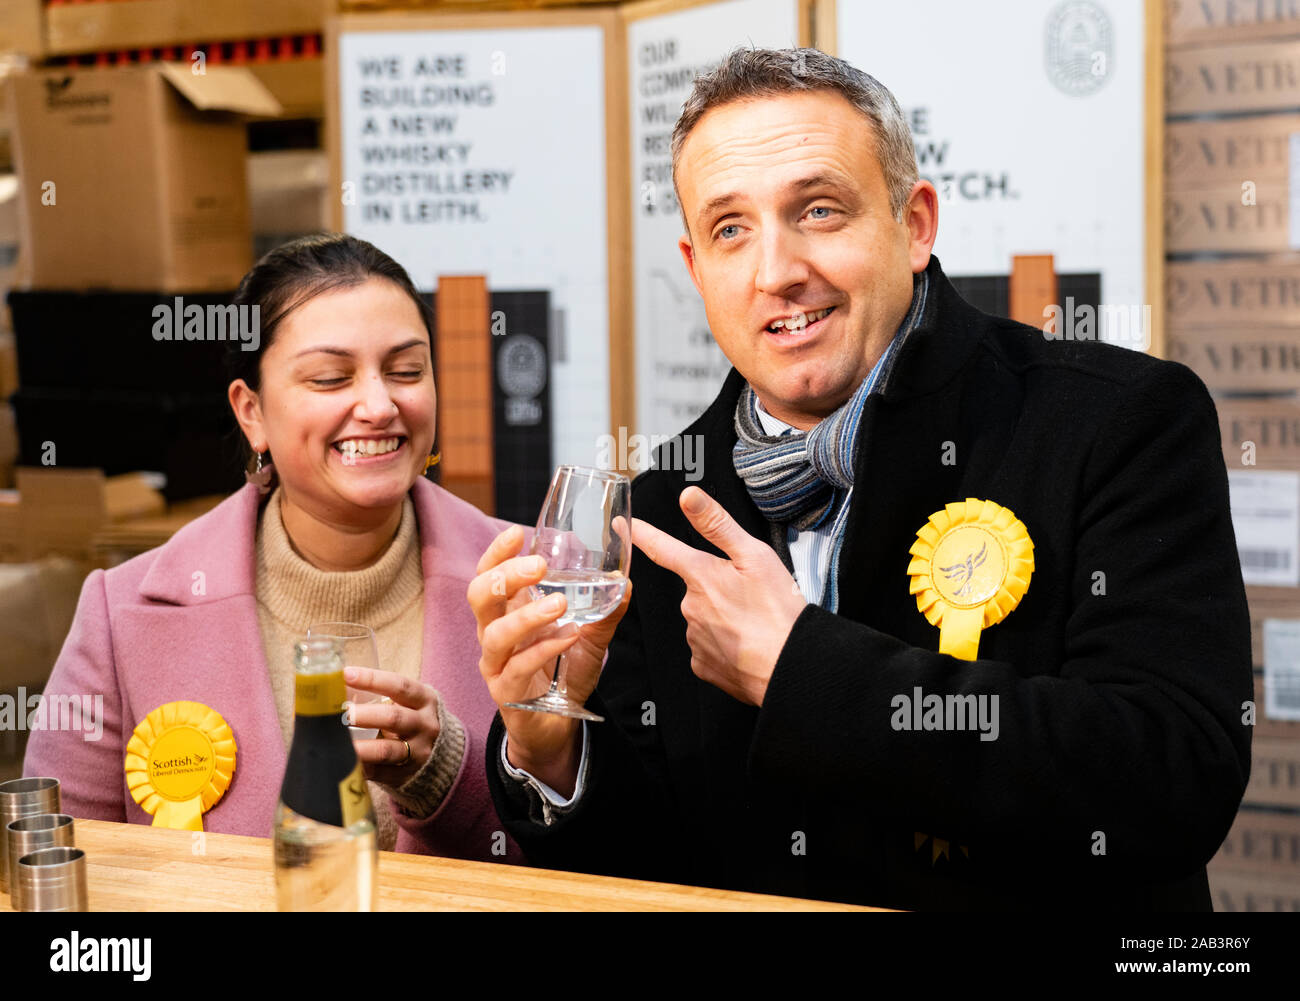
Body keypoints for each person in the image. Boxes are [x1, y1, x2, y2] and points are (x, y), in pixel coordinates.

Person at [469, 48, 1252, 909]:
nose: (777, 270)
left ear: (914, 224)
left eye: (818, 209)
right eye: (732, 230)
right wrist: (549, 750)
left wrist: (799, 668)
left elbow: (1173, 777)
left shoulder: (1116, 420)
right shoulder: (664, 507)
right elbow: (653, 868)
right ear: (697, 271)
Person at [26, 233, 522, 863]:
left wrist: (446, 781)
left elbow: (598, 861)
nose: (379, 404)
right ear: (251, 411)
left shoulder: (527, 581)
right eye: (330, 377)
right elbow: (57, 868)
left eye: (406, 370)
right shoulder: (121, 613)